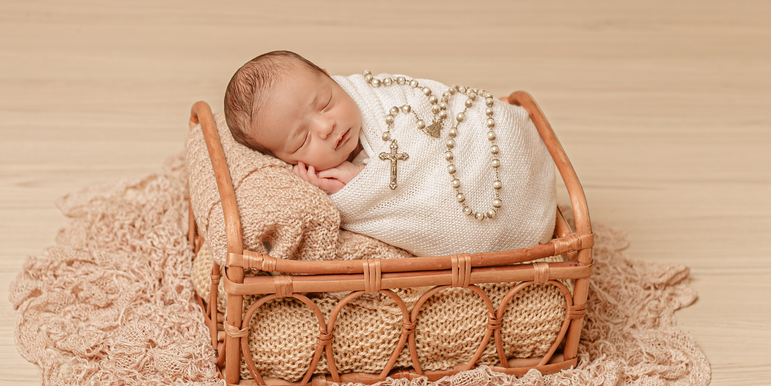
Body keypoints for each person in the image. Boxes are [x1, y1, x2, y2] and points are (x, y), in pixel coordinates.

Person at [223, 50, 558, 257]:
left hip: (489, 153)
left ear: (330, 77)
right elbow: (405, 209)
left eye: (324, 103)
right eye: (301, 139)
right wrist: (357, 191)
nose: (325, 127)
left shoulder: (383, 100)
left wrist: (369, 177)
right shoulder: (322, 181)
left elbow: (430, 125)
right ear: (284, 160)